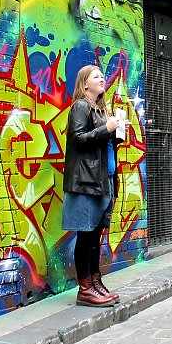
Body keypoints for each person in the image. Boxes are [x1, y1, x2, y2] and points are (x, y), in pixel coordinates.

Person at [63, 64, 122, 307]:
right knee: (86, 237)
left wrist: (115, 134)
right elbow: (77, 139)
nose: (102, 79)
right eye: (96, 76)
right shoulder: (81, 107)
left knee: (96, 236)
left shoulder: (100, 110)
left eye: (102, 76)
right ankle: (85, 288)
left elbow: (101, 145)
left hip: (101, 183)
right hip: (85, 183)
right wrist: (105, 129)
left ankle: (95, 282)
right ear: (85, 83)